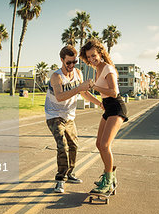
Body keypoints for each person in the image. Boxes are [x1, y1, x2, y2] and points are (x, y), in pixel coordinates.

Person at [45, 45, 102, 193]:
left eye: (74, 62)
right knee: (62, 146)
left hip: (69, 116)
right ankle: (60, 179)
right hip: (54, 115)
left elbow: (84, 93)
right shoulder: (56, 76)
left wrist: (100, 103)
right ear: (62, 60)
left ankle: (70, 173)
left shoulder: (77, 73)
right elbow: (60, 96)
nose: (71, 65)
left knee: (74, 146)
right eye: (68, 62)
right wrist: (79, 88)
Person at [79, 39, 128, 194]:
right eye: (89, 57)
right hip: (107, 108)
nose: (92, 59)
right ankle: (110, 176)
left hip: (116, 107)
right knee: (99, 144)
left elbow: (114, 92)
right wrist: (98, 101)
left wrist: (94, 86)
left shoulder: (107, 68)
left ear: (100, 53)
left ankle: (108, 181)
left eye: (94, 55)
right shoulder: (97, 69)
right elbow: (97, 93)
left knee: (105, 145)